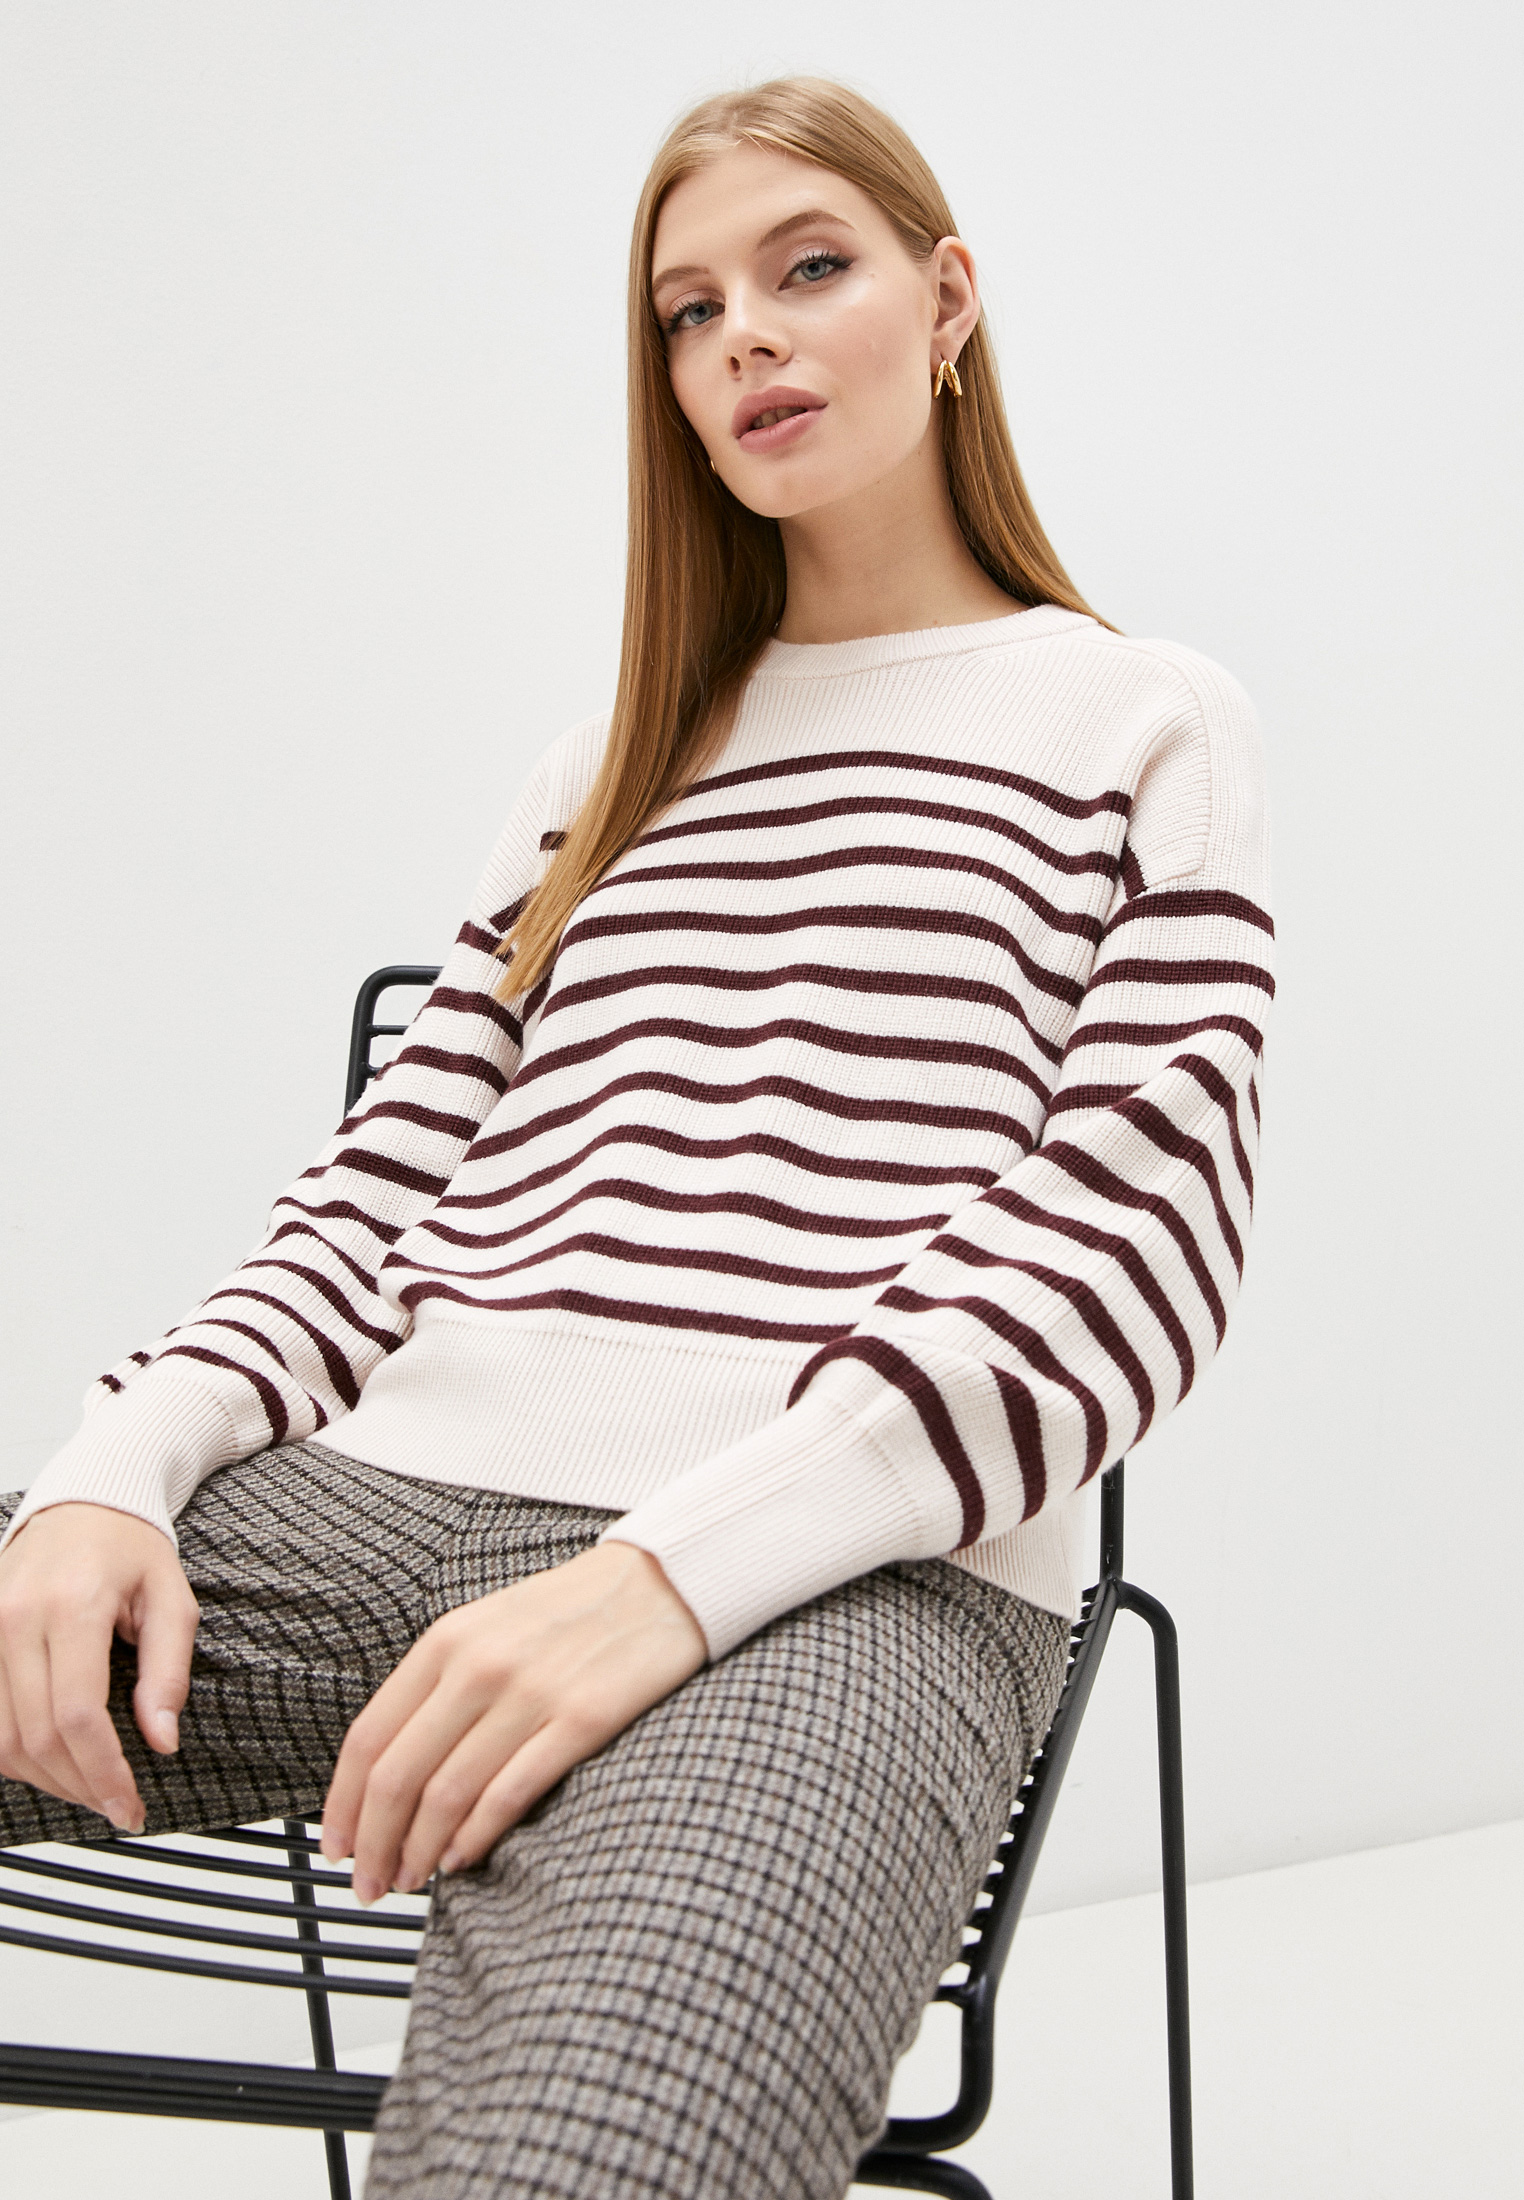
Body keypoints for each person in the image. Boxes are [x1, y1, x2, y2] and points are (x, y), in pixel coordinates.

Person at [0, 76, 1272, 2200]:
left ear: (949, 301)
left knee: (592, 2161)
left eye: (808, 268)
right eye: (689, 312)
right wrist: (106, 1471)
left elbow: (1129, 1250)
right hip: (363, 1504)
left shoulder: (1141, 719)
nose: (743, 335)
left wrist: (665, 1578)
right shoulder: (606, 764)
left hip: (846, 1577)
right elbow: (378, 1193)